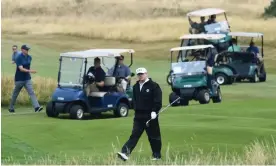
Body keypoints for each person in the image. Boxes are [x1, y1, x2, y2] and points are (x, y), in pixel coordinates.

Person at [117, 67, 162, 161]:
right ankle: (125, 153)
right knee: (134, 135)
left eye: (142, 74)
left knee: (153, 136)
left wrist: (154, 111)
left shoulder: (154, 86)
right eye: (139, 74)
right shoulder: (136, 86)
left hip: (150, 115)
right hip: (138, 116)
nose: (140, 76)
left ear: (146, 74)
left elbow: (157, 100)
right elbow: (135, 100)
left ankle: (156, 155)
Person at [9, 45, 43, 113]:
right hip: (19, 79)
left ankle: (37, 107)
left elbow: (27, 66)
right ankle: (11, 107)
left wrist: (29, 72)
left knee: (31, 92)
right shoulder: (19, 58)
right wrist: (30, 71)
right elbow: (21, 69)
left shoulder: (30, 57)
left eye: (28, 49)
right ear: (22, 50)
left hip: (27, 78)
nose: (27, 51)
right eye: (26, 49)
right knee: (15, 94)